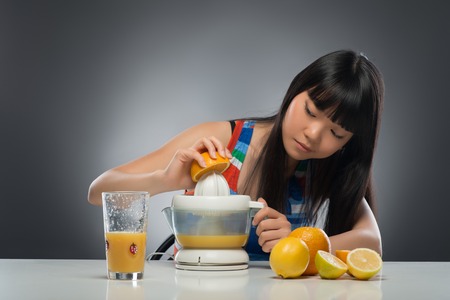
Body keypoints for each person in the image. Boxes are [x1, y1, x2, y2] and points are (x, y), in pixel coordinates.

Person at [88, 50, 384, 260]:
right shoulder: (223, 139)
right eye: (310, 111)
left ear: (348, 143)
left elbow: (372, 242)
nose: (313, 134)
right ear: (295, 90)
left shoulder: (326, 169)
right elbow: (97, 191)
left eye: (336, 134)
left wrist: (299, 243)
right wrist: (163, 180)